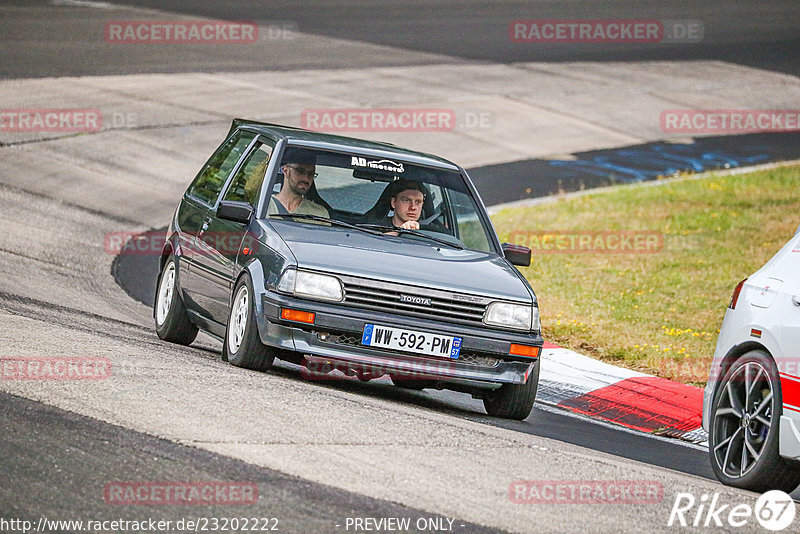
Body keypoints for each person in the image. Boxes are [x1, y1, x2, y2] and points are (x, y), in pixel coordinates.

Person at [267, 149, 329, 217]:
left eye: (311, 174)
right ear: (286, 171)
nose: (306, 178)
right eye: (300, 171)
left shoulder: (319, 213)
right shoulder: (264, 206)